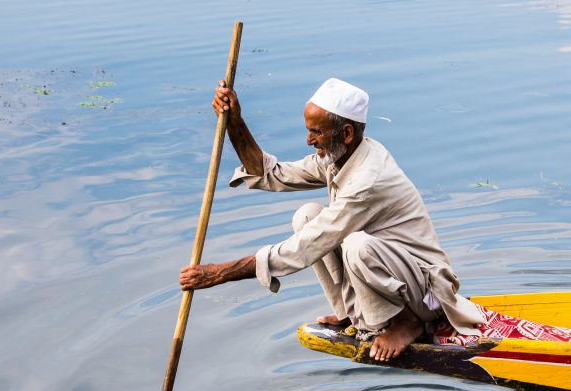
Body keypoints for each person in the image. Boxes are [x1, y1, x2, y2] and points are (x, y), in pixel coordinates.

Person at [179, 78, 484, 362]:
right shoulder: (339, 156)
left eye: (317, 132)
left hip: (425, 291)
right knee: (307, 216)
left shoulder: (368, 178)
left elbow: (311, 244)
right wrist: (235, 122)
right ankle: (351, 312)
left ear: (347, 132)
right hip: (393, 275)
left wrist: (222, 272)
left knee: (354, 244)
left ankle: (407, 322)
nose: (309, 140)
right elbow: (270, 173)